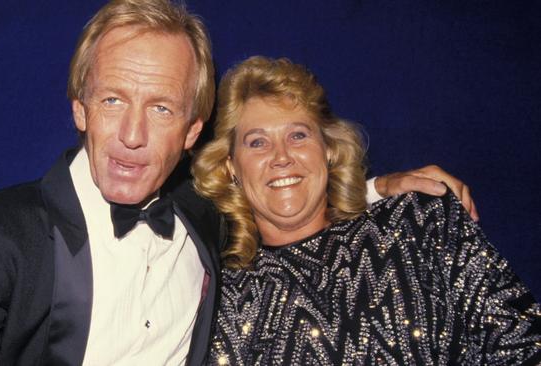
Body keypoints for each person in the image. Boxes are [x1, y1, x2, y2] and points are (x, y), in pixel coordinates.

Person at [0, 1, 478, 365]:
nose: (131, 134)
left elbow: (278, 189)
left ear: (192, 129)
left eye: (161, 109)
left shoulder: (200, 217)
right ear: (80, 108)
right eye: (113, 99)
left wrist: (382, 186)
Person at [193, 56, 541, 365]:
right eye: (257, 142)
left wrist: (372, 191)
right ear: (231, 167)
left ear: (328, 149)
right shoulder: (220, 296)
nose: (281, 156)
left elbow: (522, 344)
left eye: (298, 135)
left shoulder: (419, 221)